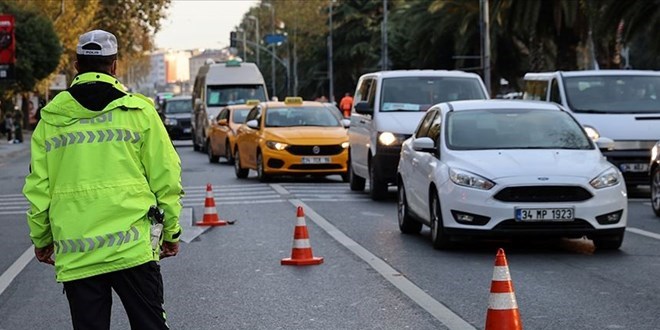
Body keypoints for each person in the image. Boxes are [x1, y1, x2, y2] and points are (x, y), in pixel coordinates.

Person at [23, 29, 182, 330]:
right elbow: (166, 177)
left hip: (79, 253)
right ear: (114, 66)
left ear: (76, 65)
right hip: (133, 249)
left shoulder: (51, 119)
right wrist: (171, 232)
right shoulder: (139, 112)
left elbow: (38, 188)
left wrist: (42, 239)